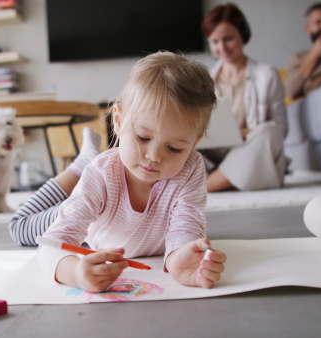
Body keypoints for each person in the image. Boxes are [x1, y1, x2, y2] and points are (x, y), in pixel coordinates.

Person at [15, 51, 226, 292]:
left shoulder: (190, 168)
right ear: (117, 120)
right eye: (143, 137)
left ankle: (89, 157)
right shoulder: (101, 174)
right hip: (97, 190)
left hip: (109, 193)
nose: (154, 156)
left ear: (193, 144)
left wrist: (180, 259)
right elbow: (51, 243)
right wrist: (75, 273)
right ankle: (83, 163)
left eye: (175, 148)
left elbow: (186, 226)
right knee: (21, 227)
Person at [200, 3, 288, 192]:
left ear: (243, 35)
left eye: (228, 39)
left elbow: (281, 129)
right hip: (216, 154)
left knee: (268, 132)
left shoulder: (267, 74)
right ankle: (229, 178)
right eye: (215, 41)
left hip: (252, 151)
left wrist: (248, 132)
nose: (222, 47)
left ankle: (205, 187)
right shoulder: (204, 80)